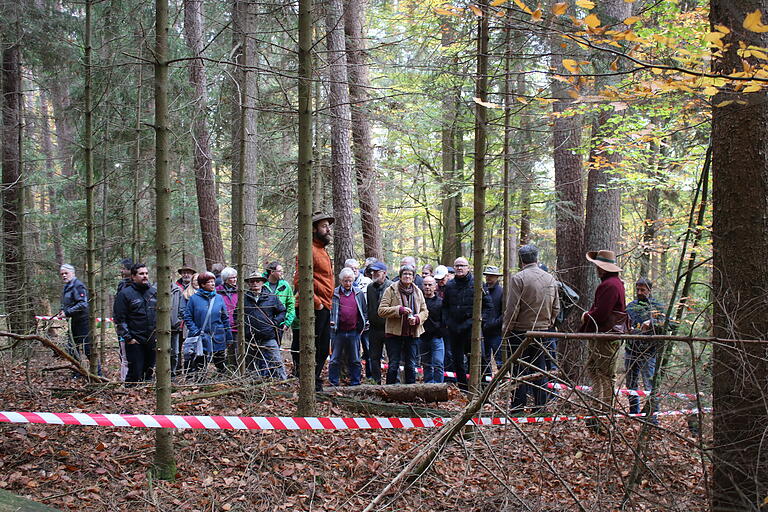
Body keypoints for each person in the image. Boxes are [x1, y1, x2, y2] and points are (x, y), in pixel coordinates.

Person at [502, 245, 560, 412]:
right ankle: (540, 406)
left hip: (521, 331)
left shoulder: (518, 278)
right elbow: (556, 307)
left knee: (519, 370)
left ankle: (519, 406)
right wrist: (549, 323)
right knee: (540, 369)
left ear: (521, 260)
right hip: (543, 331)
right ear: (536, 257)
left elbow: (513, 308)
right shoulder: (549, 278)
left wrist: (507, 328)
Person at [581, 250, 627, 431]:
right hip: (603, 336)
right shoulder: (612, 284)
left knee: (606, 376)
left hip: (605, 337)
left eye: (598, 266)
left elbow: (601, 314)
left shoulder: (610, 285)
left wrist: (586, 316)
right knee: (595, 371)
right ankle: (596, 410)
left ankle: (604, 416)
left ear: (603, 268)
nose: (596, 269)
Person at [293, 212, 335, 391]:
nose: (328, 230)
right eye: (324, 226)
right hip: (313, 307)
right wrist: (316, 302)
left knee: (324, 348)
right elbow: (300, 281)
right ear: (314, 228)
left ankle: (313, 381)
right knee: (312, 347)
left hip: (325, 306)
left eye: (328, 226)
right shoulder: (307, 249)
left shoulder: (322, 250)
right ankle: (308, 383)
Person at [441, 257, 490, 390]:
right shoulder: (450, 285)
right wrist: (447, 322)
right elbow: (444, 306)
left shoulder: (478, 283)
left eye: (462, 265)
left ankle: (479, 388)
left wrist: (480, 322)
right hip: (454, 329)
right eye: (457, 266)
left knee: (479, 359)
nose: (459, 268)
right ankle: (463, 388)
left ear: (468, 267)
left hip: (472, 329)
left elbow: (488, 306)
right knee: (457, 361)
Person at [378, 265, 428, 385]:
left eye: (410, 274)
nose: (407, 276)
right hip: (394, 334)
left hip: (412, 333)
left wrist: (417, 319)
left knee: (411, 365)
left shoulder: (418, 291)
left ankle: (410, 392)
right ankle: (389, 392)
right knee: (394, 364)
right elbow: (381, 311)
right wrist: (398, 310)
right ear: (400, 276)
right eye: (405, 274)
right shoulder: (390, 290)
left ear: (414, 277)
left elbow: (425, 311)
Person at [625, 277, 668, 416]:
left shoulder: (657, 307)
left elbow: (669, 323)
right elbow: (623, 322)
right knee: (631, 384)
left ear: (649, 290)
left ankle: (652, 416)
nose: (639, 292)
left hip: (649, 352)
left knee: (649, 385)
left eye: (642, 289)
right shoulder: (631, 306)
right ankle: (634, 413)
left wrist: (652, 322)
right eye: (637, 289)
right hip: (631, 350)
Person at [114, 263, 158, 384]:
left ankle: (147, 398)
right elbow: (119, 319)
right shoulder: (125, 294)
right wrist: (129, 338)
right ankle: (128, 397)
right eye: (141, 274)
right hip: (135, 340)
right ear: (133, 276)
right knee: (135, 372)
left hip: (151, 339)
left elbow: (160, 315)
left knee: (148, 371)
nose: (145, 276)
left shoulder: (154, 292)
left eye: (146, 273)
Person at [183, 272, 233, 376]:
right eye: (209, 282)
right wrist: (195, 331)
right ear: (202, 284)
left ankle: (223, 383)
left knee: (220, 363)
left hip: (218, 337)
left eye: (213, 281)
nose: (213, 284)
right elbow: (187, 317)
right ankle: (200, 384)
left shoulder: (219, 298)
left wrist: (228, 337)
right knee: (201, 363)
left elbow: (225, 318)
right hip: (201, 338)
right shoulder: (194, 299)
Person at [242, 272, 287, 380]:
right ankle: (255, 386)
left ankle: (283, 382)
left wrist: (274, 323)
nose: (255, 283)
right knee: (252, 364)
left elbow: (282, 312)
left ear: (262, 282)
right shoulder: (244, 299)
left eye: (258, 281)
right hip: (250, 338)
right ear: (248, 283)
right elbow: (237, 315)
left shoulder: (271, 297)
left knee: (276, 360)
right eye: (252, 281)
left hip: (268, 335)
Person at [329, 268, 368, 387]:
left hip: (354, 332)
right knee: (335, 359)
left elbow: (364, 311)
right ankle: (333, 382)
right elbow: (330, 310)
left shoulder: (358, 293)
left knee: (355, 359)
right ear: (341, 281)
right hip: (338, 332)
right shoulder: (334, 294)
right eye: (345, 281)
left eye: (350, 281)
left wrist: (364, 324)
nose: (348, 283)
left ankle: (355, 382)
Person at [57, 264, 94, 372]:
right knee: (72, 348)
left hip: (83, 321)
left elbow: (83, 304)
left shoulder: (78, 285)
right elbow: (67, 303)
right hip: (73, 321)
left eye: (66, 273)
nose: (64, 275)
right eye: (62, 274)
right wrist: (62, 310)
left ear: (72, 273)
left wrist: (67, 312)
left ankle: (97, 372)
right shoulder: (67, 287)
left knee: (87, 349)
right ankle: (78, 372)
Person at [345, 258, 372, 378]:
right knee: (353, 351)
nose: (354, 271)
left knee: (368, 349)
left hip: (366, 322)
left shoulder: (367, 281)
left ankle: (370, 376)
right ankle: (355, 376)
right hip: (351, 323)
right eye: (351, 269)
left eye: (356, 268)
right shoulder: (344, 283)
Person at [366, 261, 391, 384]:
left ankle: (392, 383)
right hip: (374, 328)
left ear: (384, 273)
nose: (374, 274)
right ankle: (376, 382)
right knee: (373, 357)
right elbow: (369, 306)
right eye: (373, 271)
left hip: (389, 328)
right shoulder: (370, 287)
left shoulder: (392, 286)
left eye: (377, 271)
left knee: (392, 357)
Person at [171, 264, 196, 374]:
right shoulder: (175, 287)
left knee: (189, 346)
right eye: (184, 272)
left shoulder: (196, 287)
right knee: (176, 346)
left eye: (188, 272)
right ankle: (176, 367)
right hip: (176, 322)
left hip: (190, 323)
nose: (186, 275)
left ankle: (189, 367)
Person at [420, 276, 445, 383]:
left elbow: (445, 320)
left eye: (430, 285)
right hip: (422, 338)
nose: (427, 287)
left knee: (438, 363)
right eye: (425, 284)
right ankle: (428, 386)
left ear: (435, 286)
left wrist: (440, 332)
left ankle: (439, 386)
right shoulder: (418, 301)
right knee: (426, 364)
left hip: (437, 338)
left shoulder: (441, 302)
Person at [263, 261, 295, 343]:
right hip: (264, 323)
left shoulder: (285, 285)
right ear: (272, 272)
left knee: (276, 349)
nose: (282, 273)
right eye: (280, 271)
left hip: (279, 324)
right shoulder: (261, 284)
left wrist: (287, 323)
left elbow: (291, 304)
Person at [482, 265, 504, 379]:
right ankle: (485, 386)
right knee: (484, 360)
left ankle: (503, 385)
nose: (489, 278)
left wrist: (494, 323)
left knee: (500, 361)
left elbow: (504, 313)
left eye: (492, 276)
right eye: (487, 276)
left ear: (497, 277)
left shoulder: (501, 292)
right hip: (482, 332)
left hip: (496, 333)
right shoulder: (482, 290)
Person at [216, 266, 238, 366]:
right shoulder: (217, 291)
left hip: (236, 326)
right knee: (219, 352)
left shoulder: (239, 291)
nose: (234, 280)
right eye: (231, 278)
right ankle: (221, 370)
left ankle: (234, 369)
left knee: (236, 350)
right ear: (225, 279)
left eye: (235, 277)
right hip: (221, 326)